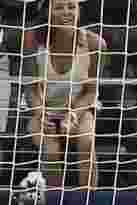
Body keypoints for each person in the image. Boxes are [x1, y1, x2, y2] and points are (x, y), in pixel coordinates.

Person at [25, 0, 104, 190]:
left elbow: (91, 91)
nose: (66, 12)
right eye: (59, 7)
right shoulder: (32, 41)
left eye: (71, 6)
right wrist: (41, 113)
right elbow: (31, 89)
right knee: (51, 150)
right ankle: (54, 201)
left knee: (86, 141)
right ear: (48, 12)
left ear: (79, 10)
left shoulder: (95, 43)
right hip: (44, 108)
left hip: (80, 108)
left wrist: (73, 114)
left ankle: (88, 201)